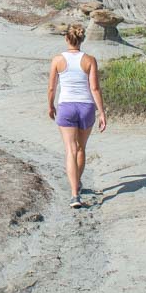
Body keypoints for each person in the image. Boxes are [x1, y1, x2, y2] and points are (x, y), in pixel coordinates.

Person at [47, 24, 107, 208]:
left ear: (67, 39)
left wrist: (50, 106)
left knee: (70, 150)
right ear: (82, 40)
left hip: (66, 106)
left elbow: (52, 87)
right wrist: (102, 112)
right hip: (86, 106)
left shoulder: (58, 60)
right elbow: (94, 88)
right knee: (81, 148)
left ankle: (74, 195)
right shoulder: (90, 60)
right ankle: (78, 183)